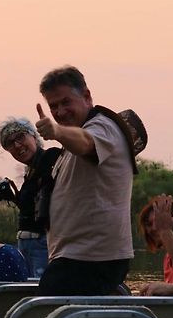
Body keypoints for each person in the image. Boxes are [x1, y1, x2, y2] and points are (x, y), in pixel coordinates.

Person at [34, 65, 134, 296]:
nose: (60, 111)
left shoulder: (103, 127)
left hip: (90, 259)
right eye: (54, 106)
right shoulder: (72, 138)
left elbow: (86, 142)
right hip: (74, 257)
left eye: (66, 102)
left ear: (87, 96)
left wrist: (56, 131)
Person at [0, 117, 61, 278]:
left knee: (39, 291)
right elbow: (36, 207)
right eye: (10, 144)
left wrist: (58, 132)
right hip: (27, 243)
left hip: (44, 242)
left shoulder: (51, 157)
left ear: (34, 136)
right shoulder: (30, 171)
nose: (17, 145)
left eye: (20, 137)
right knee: (27, 287)